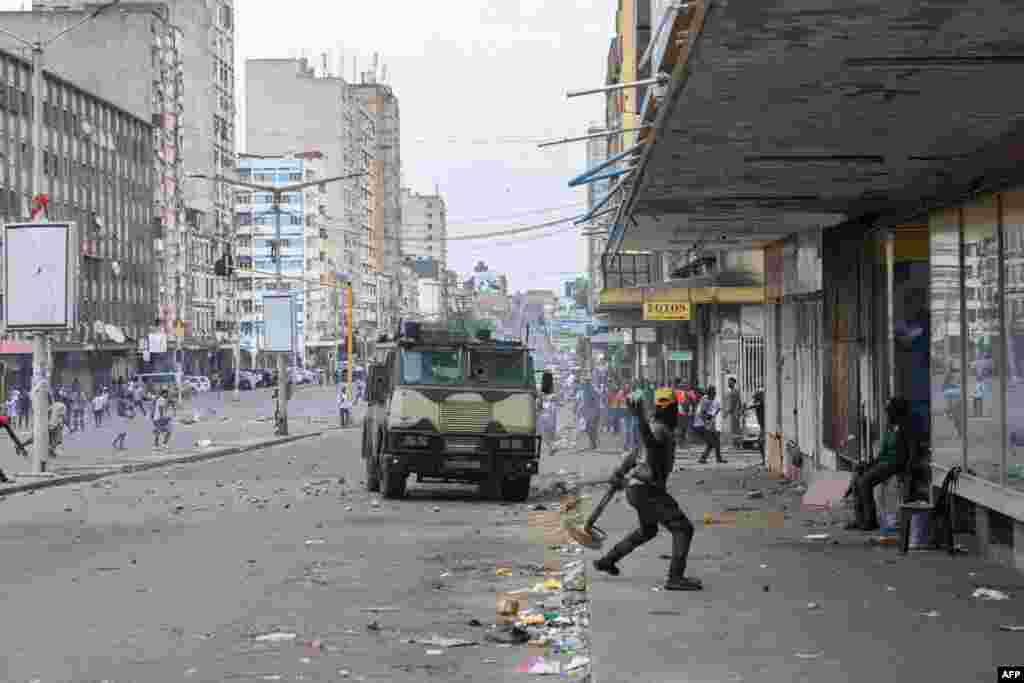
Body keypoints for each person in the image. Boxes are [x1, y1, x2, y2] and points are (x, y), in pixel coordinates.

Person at [593, 389, 702, 591]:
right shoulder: (659, 429)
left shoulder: (655, 426)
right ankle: (675, 577)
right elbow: (650, 445)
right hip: (647, 489)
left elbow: (635, 454)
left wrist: (619, 472)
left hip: (638, 489)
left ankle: (607, 561)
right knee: (683, 528)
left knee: (648, 530)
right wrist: (640, 419)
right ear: (673, 409)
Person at [847, 396, 918, 531]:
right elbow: (883, 451)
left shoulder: (906, 426)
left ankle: (870, 521)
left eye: (889, 411)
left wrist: (909, 468)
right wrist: (869, 464)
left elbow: (912, 449)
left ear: (897, 412)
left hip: (895, 463)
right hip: (884, 461)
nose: (887, 414)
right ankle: (859, 519)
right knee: (857, 477)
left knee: (865, 482)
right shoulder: (890, 426)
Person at [695, 386, 726, 464]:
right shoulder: (705, 401)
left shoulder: (707, 399)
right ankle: (704, 458)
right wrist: (707, 423)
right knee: (713, 442)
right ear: (710, 394)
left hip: (704, 424)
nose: (715, 395)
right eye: (714, 393)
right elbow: (702, 414)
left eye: (715, 393)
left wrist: (715, 413)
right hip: (701, 425)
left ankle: (714, 458)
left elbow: (711, 412)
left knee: (715, 441)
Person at [723, 377, 743, 441]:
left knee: (735, 429)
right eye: (728, 382)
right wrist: (725, 411)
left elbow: (738, 402)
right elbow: (726, 402)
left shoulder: (735, 391)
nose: (728, 383)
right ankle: (732, 442)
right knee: (730, 429)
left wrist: (738, 411)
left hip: (734, 412)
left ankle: (736, 442)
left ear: (734, 383)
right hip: (729, 412)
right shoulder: (727, 391)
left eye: (730, 382)